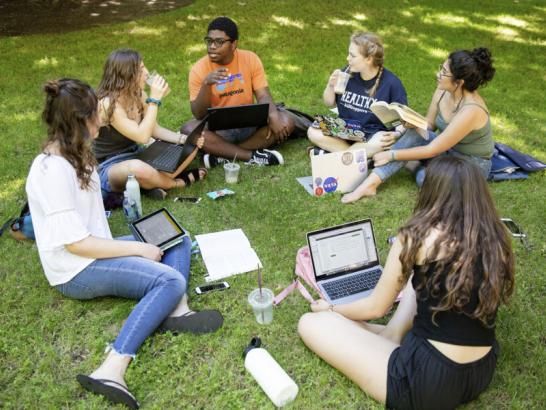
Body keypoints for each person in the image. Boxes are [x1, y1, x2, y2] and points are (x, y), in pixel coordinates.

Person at [26, 79, 223, 409]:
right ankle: (112, 366)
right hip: (75, 269)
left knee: (175, 236)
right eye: (96, 115)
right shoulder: (51, 171)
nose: (102, 121)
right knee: (169, 278)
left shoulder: (77, 154)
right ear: (80, 121)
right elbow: (76, 244)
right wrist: (137, 248)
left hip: (96, 247)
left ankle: (175, 309)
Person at [298, 156, 515, 409]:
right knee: (418, 274)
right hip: (481, 369)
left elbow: (375, 309)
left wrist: (332, 310)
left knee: (311, 323)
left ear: (431, 191)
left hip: (427, 382)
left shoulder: (417, 238)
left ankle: (386, 336)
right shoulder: (495, 239)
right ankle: (391, 334)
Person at [342, 47, 496, 203]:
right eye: (440, 68)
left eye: (444, 72)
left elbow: (433, 149)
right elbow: (428, 125)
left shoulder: (471, 110)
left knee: (425, 180)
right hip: (447, 151)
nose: (438, 74)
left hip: (471, 165)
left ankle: (413, 165)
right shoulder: (443, 91)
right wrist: (410, 122)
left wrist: (391, 154)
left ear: (459, 82)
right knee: (414, 133)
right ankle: (370, 185)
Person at [182, 16, 294, 168]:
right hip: (218, 131)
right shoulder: (199, 69)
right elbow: (199, 114)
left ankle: (223, 156)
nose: (212, 46)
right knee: (188, 130)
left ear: (234, 44)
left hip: (249, 124)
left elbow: (262, 94)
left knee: (286, 121)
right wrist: (206, 84)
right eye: (209, 41)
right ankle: (249, 156)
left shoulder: (250, 58)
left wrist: (273, 116)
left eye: (219, 42)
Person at [95, 49, 207, 200]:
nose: (147, 73)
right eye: (140, 70)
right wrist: (154, 101)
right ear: (126, 74)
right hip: (109, 165)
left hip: (137, 153)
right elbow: (142, 136)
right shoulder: (108, 104)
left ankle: (150, 184)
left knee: (191, 145)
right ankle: (176, 183)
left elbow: (154, 129)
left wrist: (183, 139)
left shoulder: (138, 94)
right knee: (138, 169)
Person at [307, 32, 407, 156]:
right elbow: (329, 103)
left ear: (369, 59)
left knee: (381, 141)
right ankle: (358, 157)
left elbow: (402, 120)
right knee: (313, 130)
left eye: (352, 55)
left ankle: (334, 154)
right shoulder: (347, 73)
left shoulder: (391, 83)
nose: (347, 58)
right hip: (346, 128)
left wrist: (397, 134)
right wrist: (330, 85)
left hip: (372, 134)